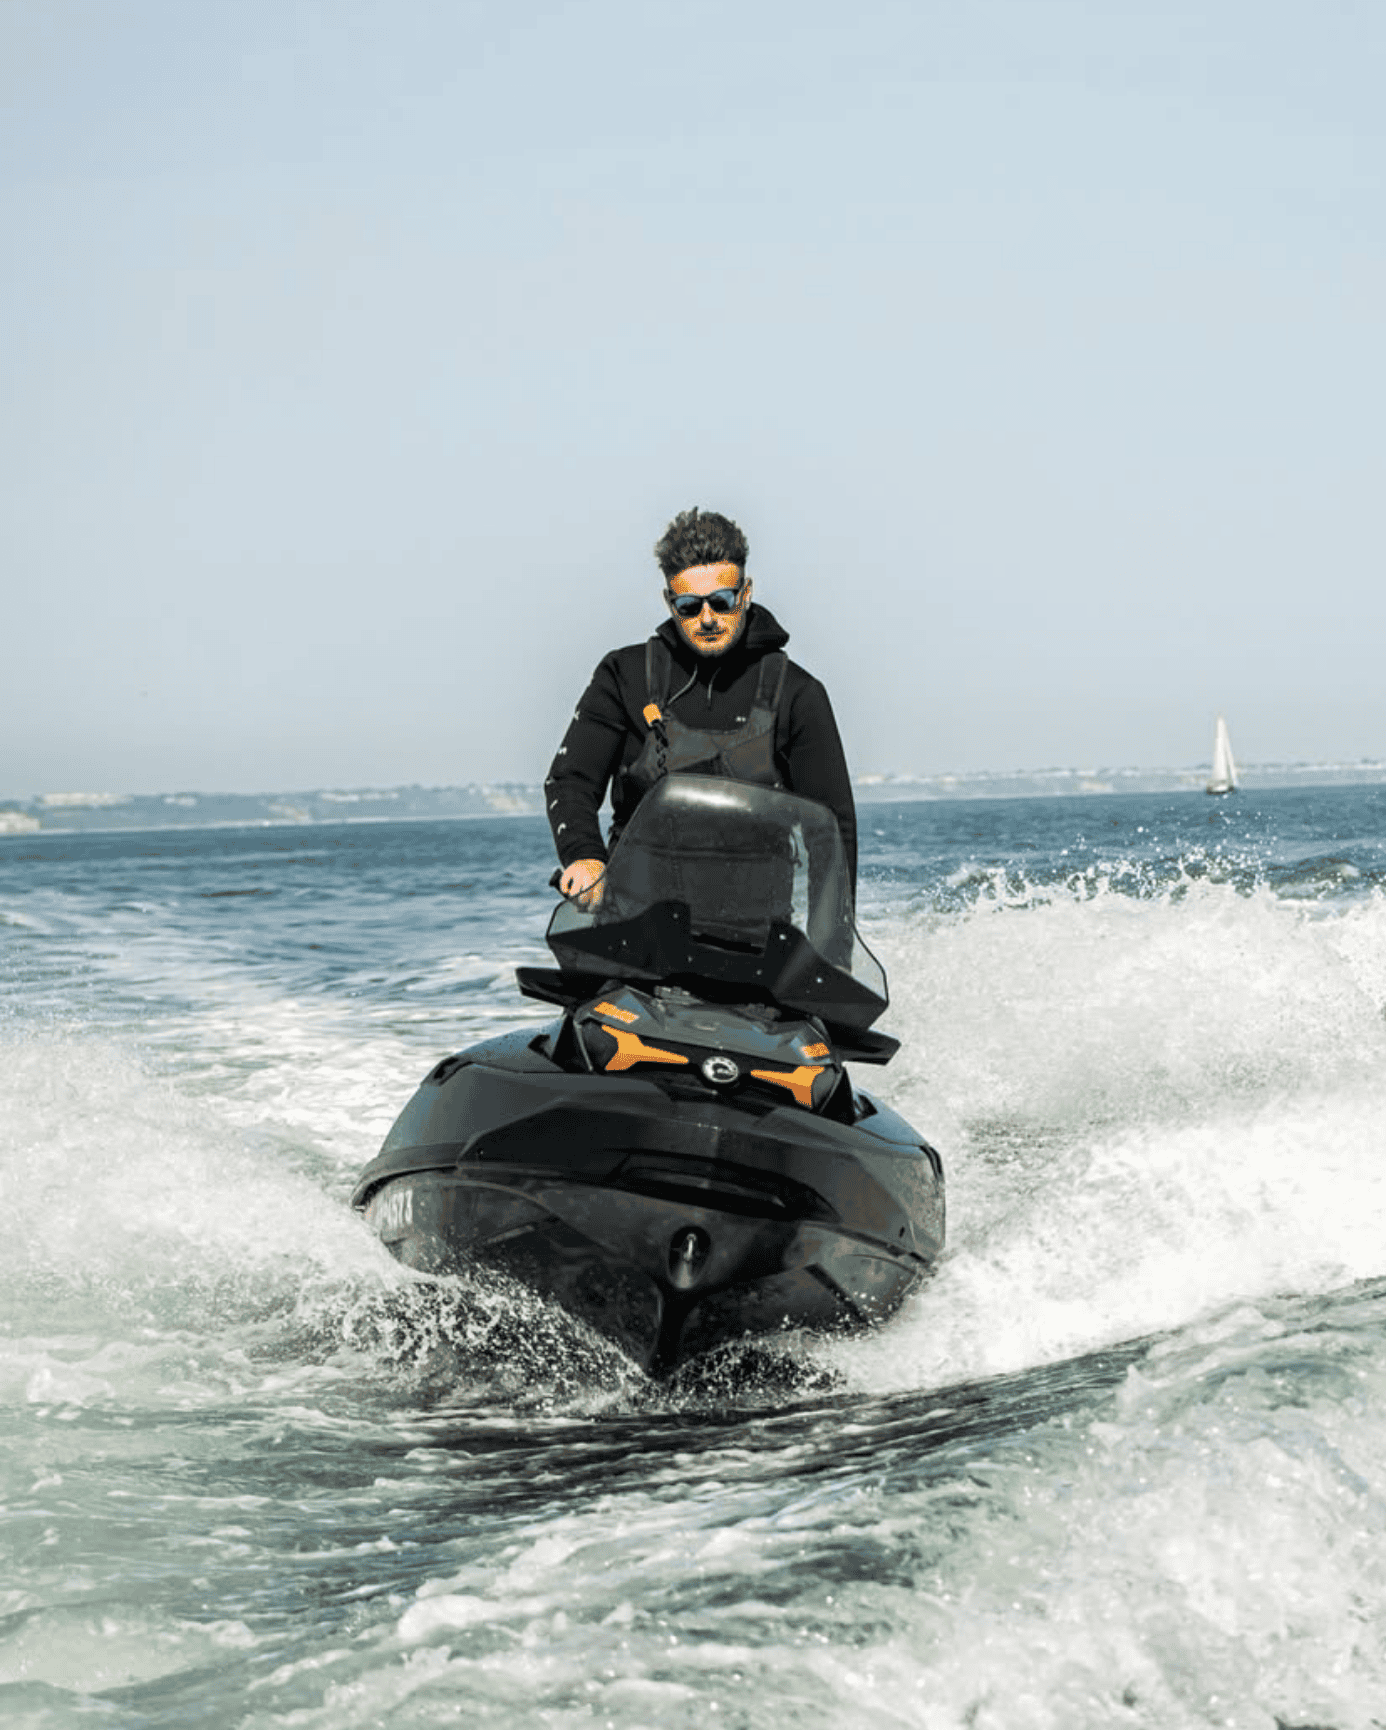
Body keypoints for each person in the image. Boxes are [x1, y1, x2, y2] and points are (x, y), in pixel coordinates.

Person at [546, 506, 857, 908]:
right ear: (669, 602)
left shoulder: (798, 692)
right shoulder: (623, 675)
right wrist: (583, 855)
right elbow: (570, 781)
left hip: (757, 942)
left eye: (722, 601)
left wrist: (831, 953)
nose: (707, 618)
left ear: (745, 593)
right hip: (634, 931)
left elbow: (833, 832)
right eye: (690, 606)